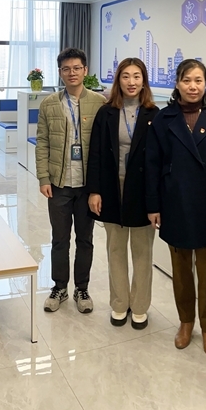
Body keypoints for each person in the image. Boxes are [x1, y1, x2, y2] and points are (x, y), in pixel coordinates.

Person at [145, 59, 206, 357]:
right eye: (187, 80)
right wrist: (153, 205)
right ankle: (185, 322)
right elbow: (151, 164)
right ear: (177, 83)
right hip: (174, 201)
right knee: (180, 271)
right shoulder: (163, 118)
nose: (193, 86)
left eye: (198, 80)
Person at [87, 58, 159, 329]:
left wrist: (157, 200)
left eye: (137, 76)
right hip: (111, 186)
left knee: (142, 251)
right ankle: (119, 303)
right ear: (118, 80)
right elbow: (95, 154)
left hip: (142, 189)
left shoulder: (155, 114)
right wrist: (94, 190)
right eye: (126, 76)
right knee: (115, 249)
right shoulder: (106, 112)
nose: (131, 82)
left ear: (144, 81)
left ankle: (139, 307)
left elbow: (160, 160)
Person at [35, 47, 106, 314]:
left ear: (85, 71)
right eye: (66, 69)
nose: (72, 73)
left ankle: (82, 288)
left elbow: (103, 146)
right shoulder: (49, 104)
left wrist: (99, 187)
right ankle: (60, 287)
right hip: (59, 183)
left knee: (85, 239)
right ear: (60, 72)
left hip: (87, 186)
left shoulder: (99, 103)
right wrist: (44, 177)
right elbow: (42, 142)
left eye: (77, 68)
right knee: (59, 239)